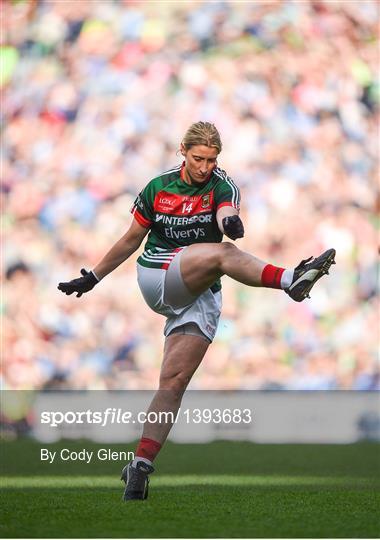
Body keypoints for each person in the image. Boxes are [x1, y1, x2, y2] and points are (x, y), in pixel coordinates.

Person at [58, 121, 336, 501]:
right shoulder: (158, 187)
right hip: (157, 273)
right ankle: (291, 279)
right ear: (183, 152)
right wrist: (92, 276)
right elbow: (130, 240)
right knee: (224, 254)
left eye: (212, 159)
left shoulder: (223, 184)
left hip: (199, 291)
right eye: (198, 158)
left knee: (173, 383)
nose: (205, 167)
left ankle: (139, 467)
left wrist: (230, 221)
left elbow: (225, 211)